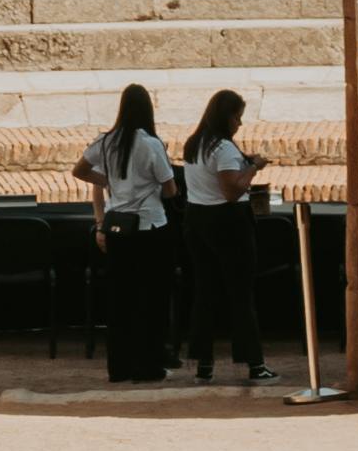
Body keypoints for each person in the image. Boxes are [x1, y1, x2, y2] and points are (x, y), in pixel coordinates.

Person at [77, 82, 176, 385]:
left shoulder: (106, 141)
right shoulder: (150, 144)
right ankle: (149, 366)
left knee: (120, 301)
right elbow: (170, 188)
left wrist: (110, 182)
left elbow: (79, 170)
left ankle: (119, 367)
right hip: (149, 227)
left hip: (117, 227)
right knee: (150, 299)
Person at [174, 88, 263, 386]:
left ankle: (203, 363)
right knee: (240, 293)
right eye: (237, 117)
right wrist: (253, 167)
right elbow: (231, 191)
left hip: (197, 219)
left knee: (205, 292)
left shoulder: (195, 143)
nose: (239, 123)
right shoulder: (223, 148)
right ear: (226, 116)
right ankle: (253, 363)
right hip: (228, 223)